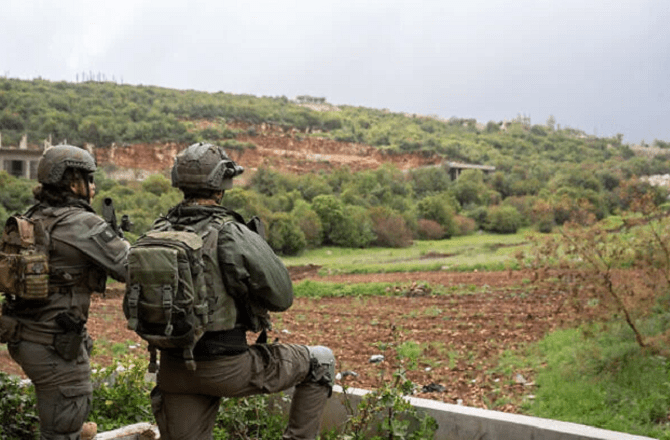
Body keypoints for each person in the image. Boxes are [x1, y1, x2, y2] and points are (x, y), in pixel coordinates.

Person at [149, 142, 335, 440]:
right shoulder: (230, 232)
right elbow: (282, 297)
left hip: (173, 372)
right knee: (321, 360)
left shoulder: (157, 231)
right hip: (226, 368)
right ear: (221, 185)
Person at [0, 144, 130, 439]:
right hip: (52, 347)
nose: (93, 187)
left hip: (24, 336)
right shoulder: (82, 223)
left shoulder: (33, 216)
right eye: (89, 179)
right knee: (64, 428)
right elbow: (129, 267)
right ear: (73, 182)